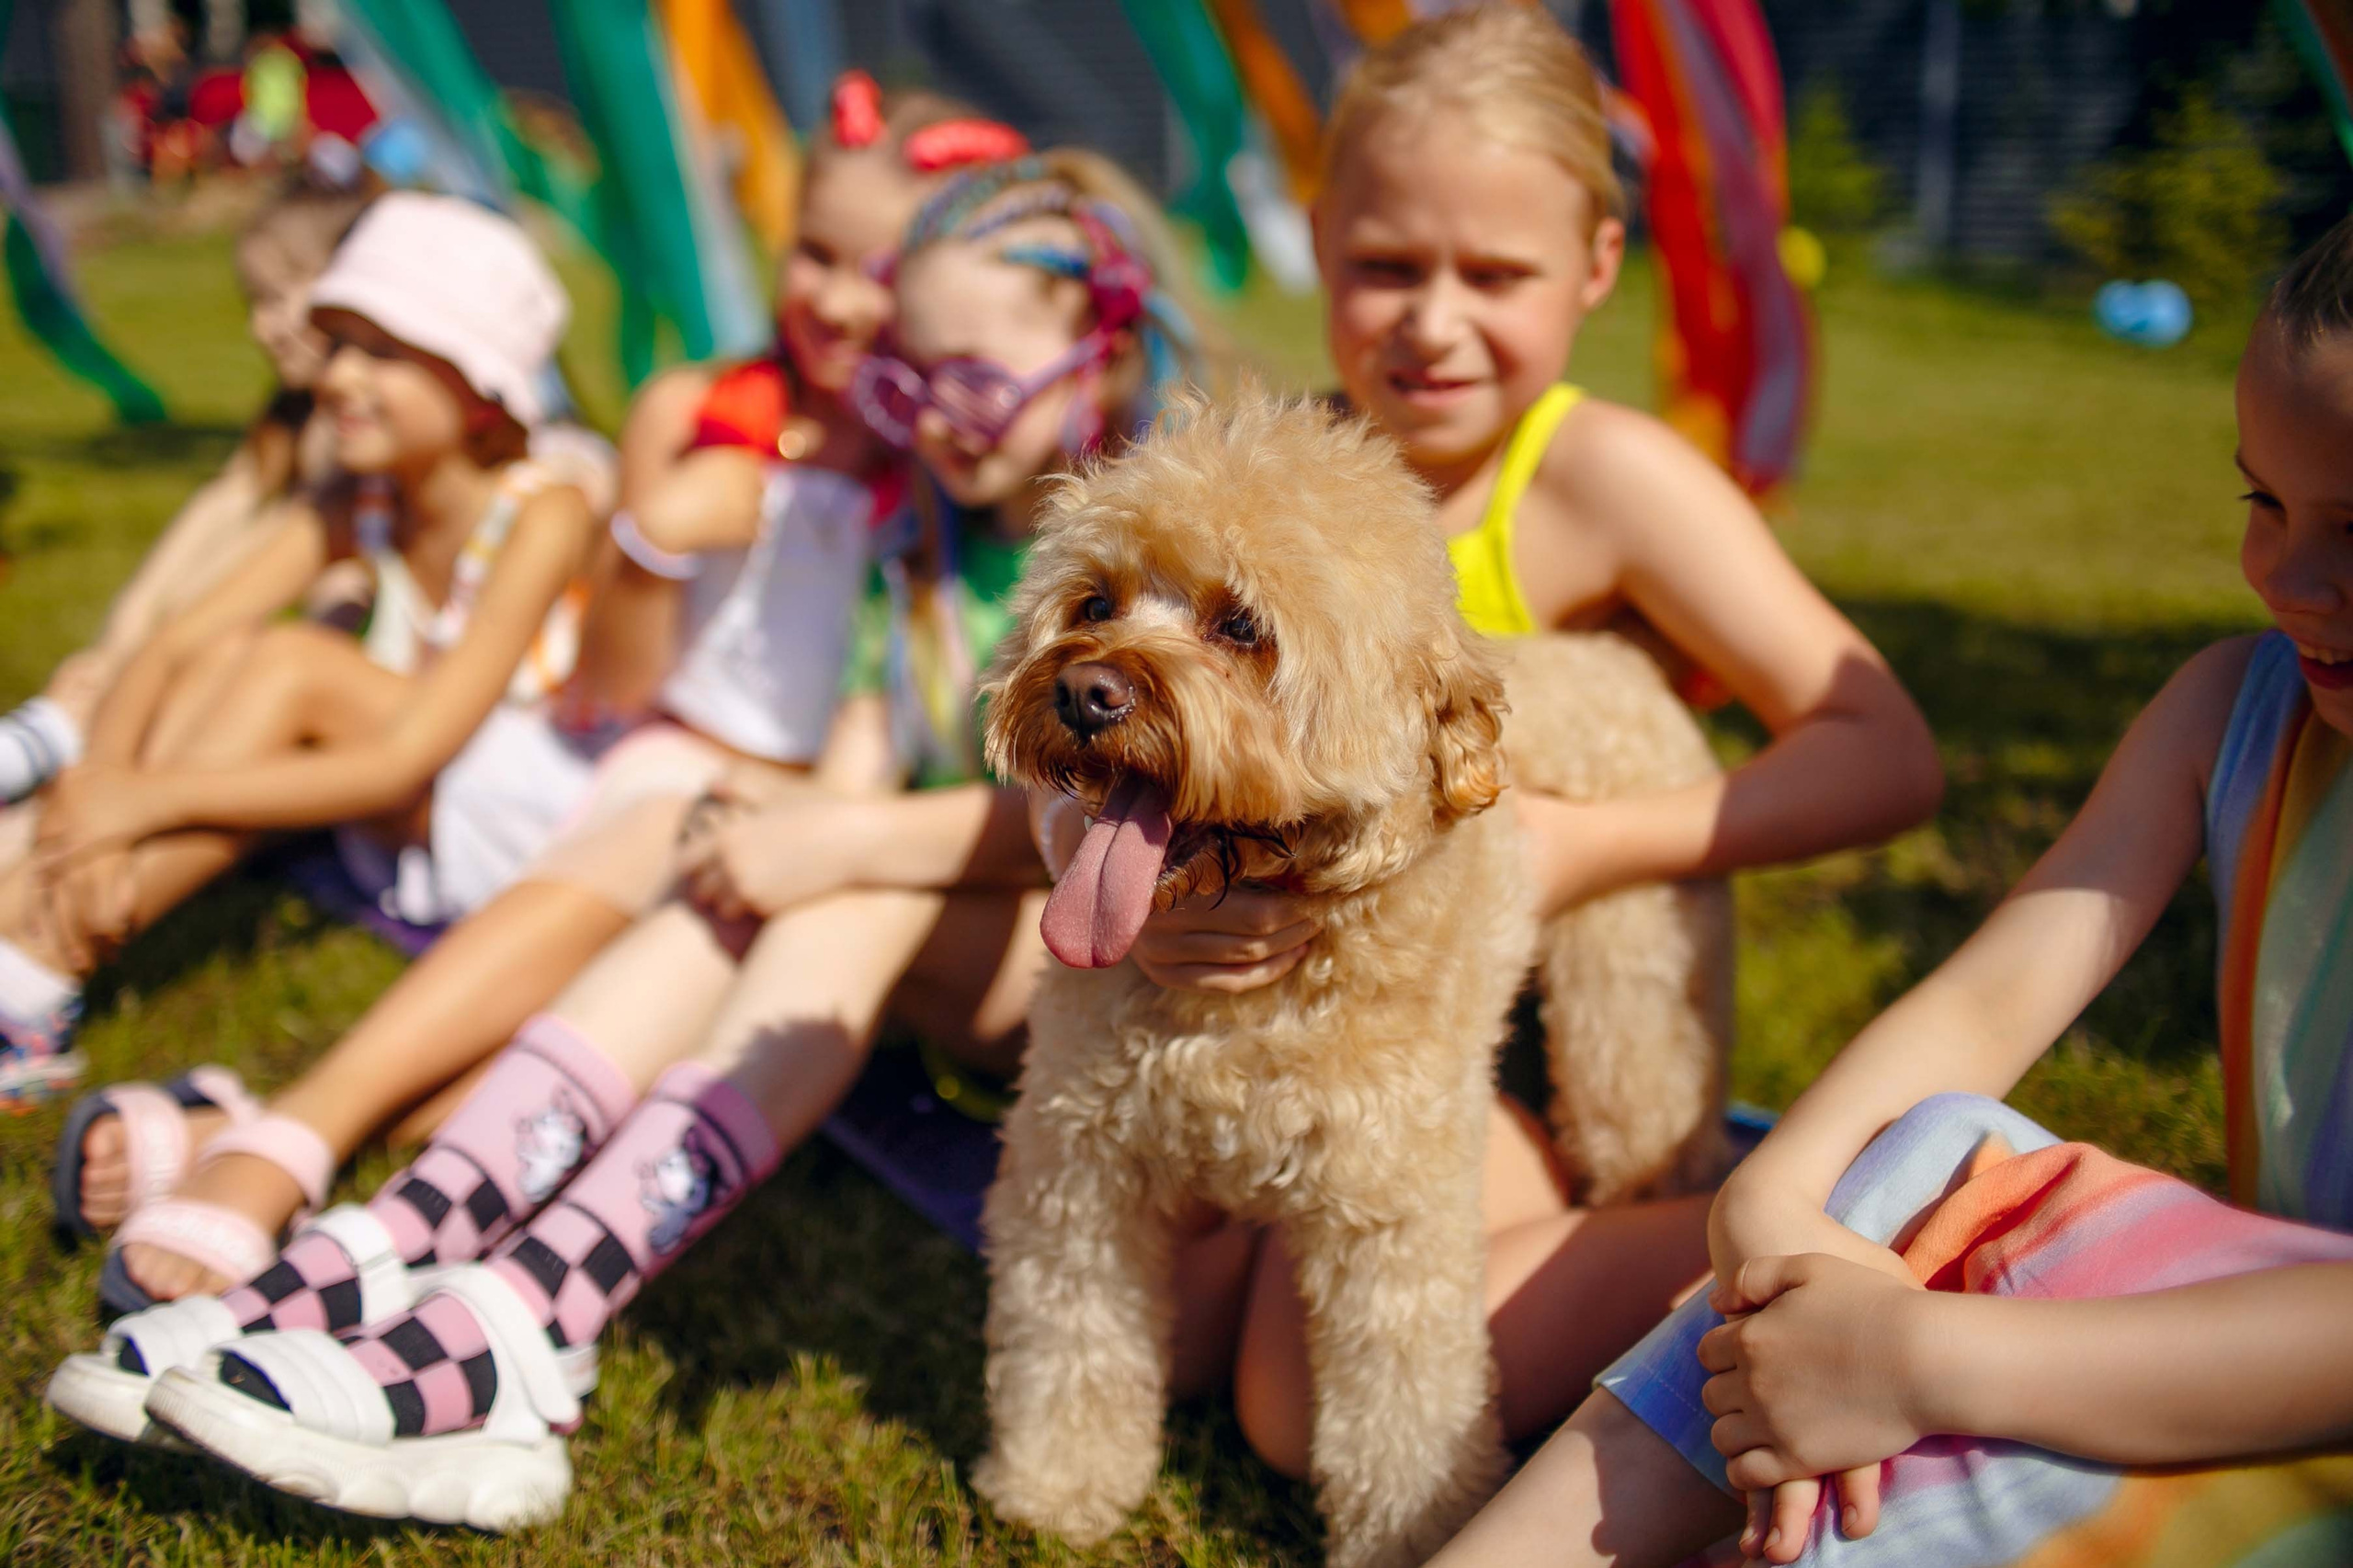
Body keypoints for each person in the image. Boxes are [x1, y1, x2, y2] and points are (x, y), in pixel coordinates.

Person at [54, 151, 1215, 1532]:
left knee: (846, 890)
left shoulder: (1157, 548)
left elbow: (1100, 828)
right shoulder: (922, 530)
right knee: (715, 836)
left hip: (1117, 953)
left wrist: (840, 837)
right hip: (953, 922)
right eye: (904, 382)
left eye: (966, 376)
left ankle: (535, 1307)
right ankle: (413, 1240)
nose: (931, 420)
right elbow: (858, 745)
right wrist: (798, 825)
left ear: (1109, 345)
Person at [1427, 213, 2353, 1568]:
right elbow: (1980, 1010)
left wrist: (1922, 1357)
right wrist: (1774, 1218)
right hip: (2237, 1343)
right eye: (2261, 501)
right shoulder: (2236, 708)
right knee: (1919, 1158)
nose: (2291, 576)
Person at [51, 74, 1028, 1311]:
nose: (837, 300)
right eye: (814, 256)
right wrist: (653, 540)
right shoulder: (700, 408)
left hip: (765, 818)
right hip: (628, 756)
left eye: (877, 272)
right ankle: (270, 1111)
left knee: (555, 1054)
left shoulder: (939, 470)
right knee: (648, 845)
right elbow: (613, 687)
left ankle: (245, 1135)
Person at [1125, 2, 1944, 1476]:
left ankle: (1794, 1224)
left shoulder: (1606, 481)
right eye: (1386, 266)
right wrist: (1161, 910)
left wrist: (1574, 849)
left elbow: (1882, 746)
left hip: (1531, 1055)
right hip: (1304, 1021)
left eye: (1493, 274)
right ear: (1321, 240)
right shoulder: (1274, 476)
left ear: (1595, 267)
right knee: (1163, 1339)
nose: (1433, 322)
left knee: (1297, 1406)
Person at [0, 194, 594, 1136]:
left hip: (519, 820)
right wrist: (99, 793)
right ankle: (32, 928)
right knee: (230, 657)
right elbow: (172, 642)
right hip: (400, 787)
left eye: (384, 352)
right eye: (339, 344)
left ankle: (35, 963)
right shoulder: (357, 497)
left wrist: (149, 800)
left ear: (483, 389)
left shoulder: (543, 510)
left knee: (290, 665)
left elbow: (409, 755)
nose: (341, 375)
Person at [0, 171, 375, 812]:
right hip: (200, 663)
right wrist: (120, 647)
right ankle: (61, 736)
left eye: (277, 298)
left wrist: (159, 673)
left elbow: (334, 596)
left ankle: (53, 749)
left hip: (292, 689)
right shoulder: (292, 418)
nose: (262, 328)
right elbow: (217, 513)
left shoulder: (367, 441)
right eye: (251, 303)